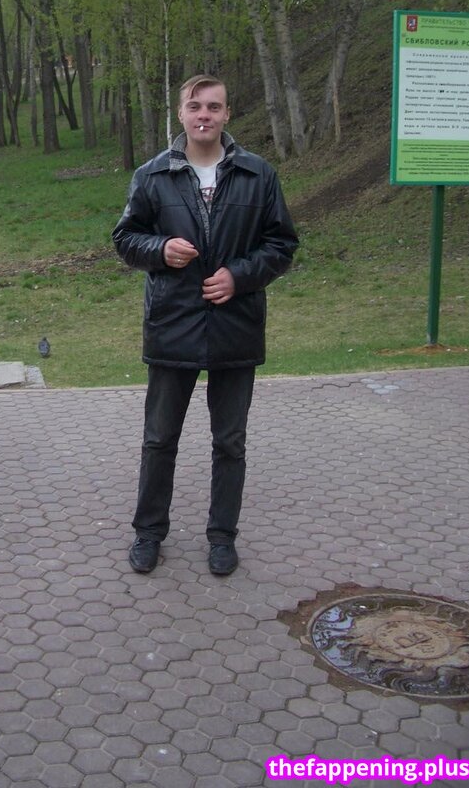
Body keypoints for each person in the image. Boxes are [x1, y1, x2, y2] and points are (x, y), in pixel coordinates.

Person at [113, 74, 298, 577]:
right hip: (172, 324)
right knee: (159, 439)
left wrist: (239, 276)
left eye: (214, 107)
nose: (204, 115)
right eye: (195, 106)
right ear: (181, 113)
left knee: (229, 442)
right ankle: (148, 533)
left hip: (236, 326)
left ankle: (222, 538)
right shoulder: (153, 174)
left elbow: (281, 244)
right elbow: (126, 238)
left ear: (227, 114)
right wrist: (160, 249)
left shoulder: (258, 174)